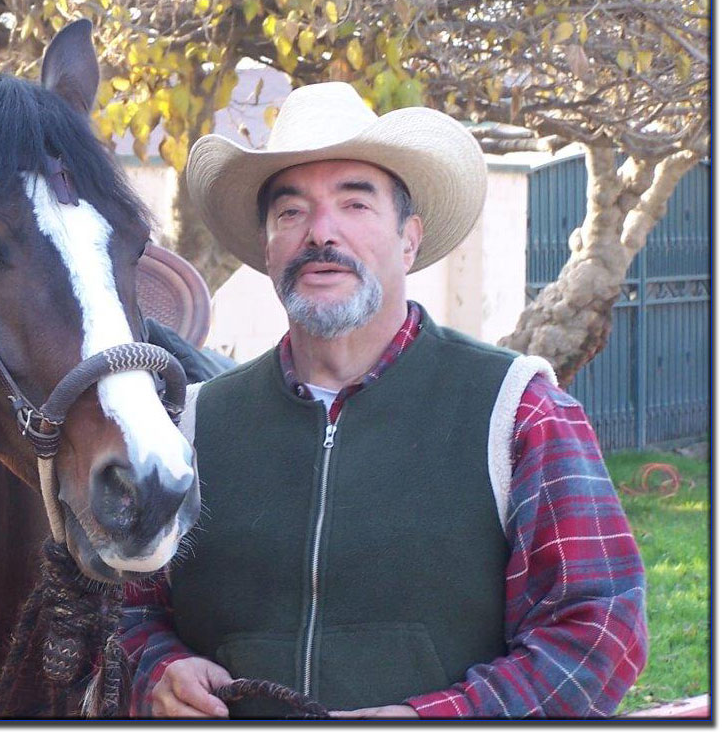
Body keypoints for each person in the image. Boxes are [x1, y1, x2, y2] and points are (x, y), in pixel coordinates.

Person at [119, 82, 648, 719]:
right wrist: (157, 667)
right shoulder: (190, 424)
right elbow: (117, 609)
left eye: (355, 204)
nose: (322, 233)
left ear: (409, 239)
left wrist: (433, 720)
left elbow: (599, 631)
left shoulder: (518, 411)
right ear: (268, 247)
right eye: (291, 212)